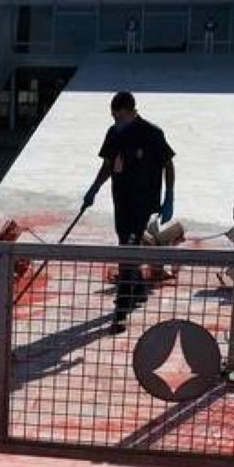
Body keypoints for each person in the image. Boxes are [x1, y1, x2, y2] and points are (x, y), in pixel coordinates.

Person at [82, 91, 175, 335]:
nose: (116, 121)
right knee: (125, 243)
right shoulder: (114, 134)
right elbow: (108, 166)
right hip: (121, 200)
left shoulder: (152, 133)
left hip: (143, 202)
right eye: (113, 117)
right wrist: (94, 188)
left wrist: (169, 197)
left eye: (120, 116)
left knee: (127, 249)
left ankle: (120, 312)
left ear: (131, 111)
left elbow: (168, 164)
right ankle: (139, 289)